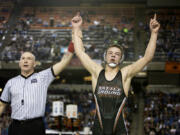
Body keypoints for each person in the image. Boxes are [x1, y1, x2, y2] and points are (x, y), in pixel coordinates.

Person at [72, 14, 160, 135]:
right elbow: (80, 52)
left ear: (121, 59)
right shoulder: (97, 72)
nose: (113, 55)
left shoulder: (125, 74)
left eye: (117, 54)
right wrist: (76, 28)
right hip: (98, 129)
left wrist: (154, 33)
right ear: (105, 56)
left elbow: (147, 58)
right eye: (110, 53)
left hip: (119, 130)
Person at [0, 41, 74, 135]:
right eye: (23, 58)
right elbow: (2, 105)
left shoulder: (42, 77)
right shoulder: (11, 82)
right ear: (19, 63)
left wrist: (72, 46)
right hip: (15, 126)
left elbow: (63, 62)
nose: (25, 61)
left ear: (34, 64)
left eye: (29, 59)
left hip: (35, 126)